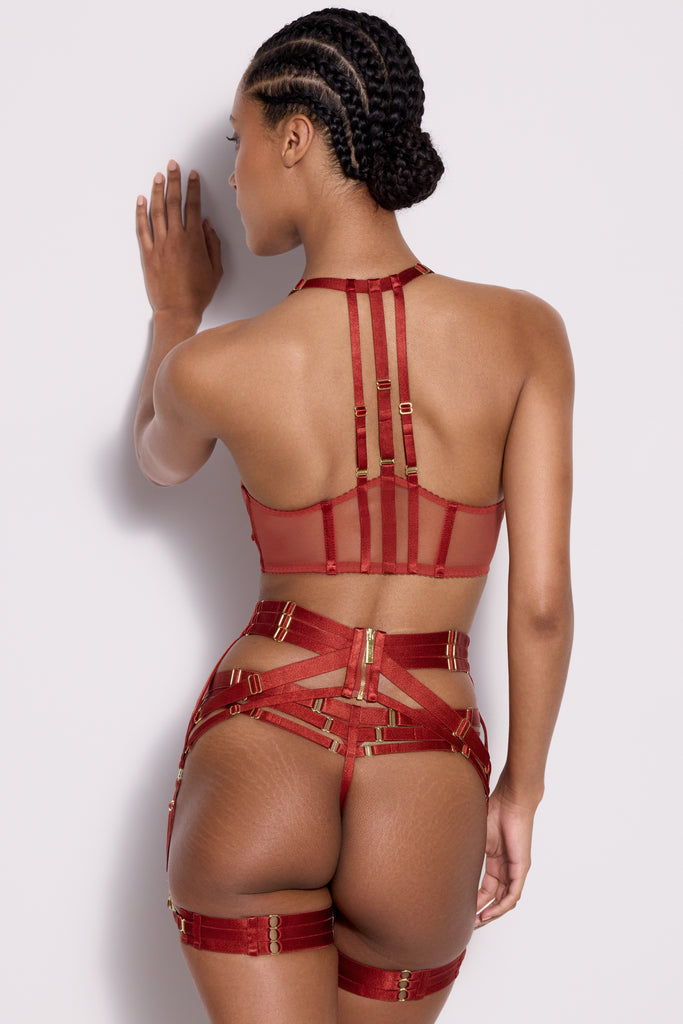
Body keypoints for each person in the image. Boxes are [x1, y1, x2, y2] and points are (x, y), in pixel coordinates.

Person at [134, 8, 573, 1023]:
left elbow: (156, 461)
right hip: (427, 767)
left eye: (239, 140)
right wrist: (521, 789)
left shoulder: (212, 367)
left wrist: (174, 317)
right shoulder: (524, 334)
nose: (234, 172)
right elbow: (541, 605)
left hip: (263, 744)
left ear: (294, 137)